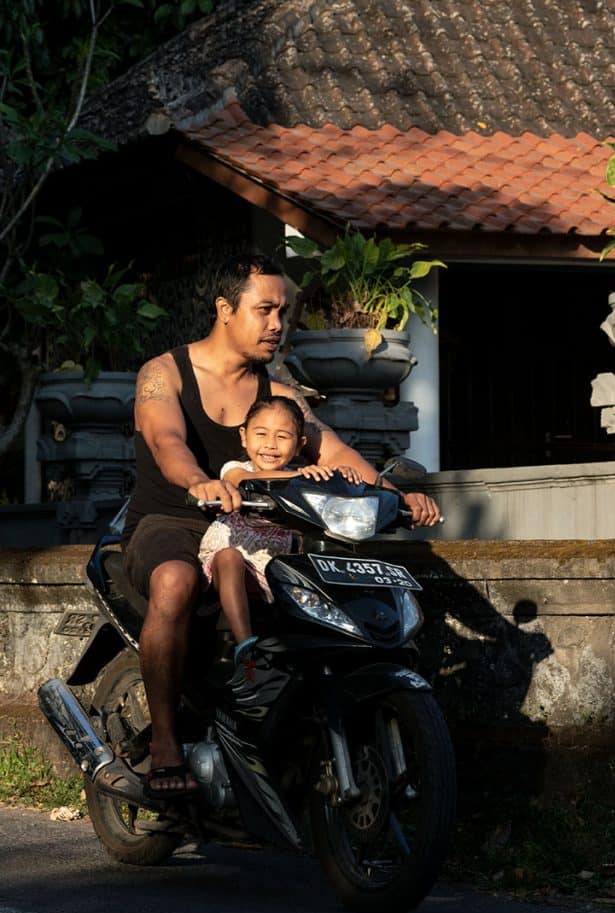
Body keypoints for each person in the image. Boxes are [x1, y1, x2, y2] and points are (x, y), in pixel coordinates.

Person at [122, 251, 440, 797]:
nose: (278, 324)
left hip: (257, 535)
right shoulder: (164, 372)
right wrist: (199, 480)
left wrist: (397, 496)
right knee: (174, 582)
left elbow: (337, 452)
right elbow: (166, 440)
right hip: (172, 523)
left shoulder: (282, 395)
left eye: (283, 311)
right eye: (264, 310)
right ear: (225, 309)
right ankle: (166, 746)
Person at [197, 394, 361, 684]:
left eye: (283, 436)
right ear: (244, 437)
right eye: (261, 434)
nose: (271, 444)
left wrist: (340, 475)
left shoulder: (299, 474)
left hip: (275, 564)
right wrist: (301, 475)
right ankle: (246, 647)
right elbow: (244, 482)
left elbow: (336, 493)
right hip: (233, 561)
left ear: (299, 445)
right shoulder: (237, 468)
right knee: (229, 557)